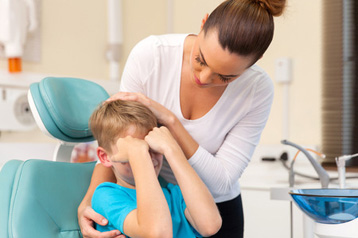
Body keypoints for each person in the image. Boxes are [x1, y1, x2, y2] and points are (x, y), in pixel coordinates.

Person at [78, 0, 286, 237]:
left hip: (202, 206)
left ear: (252, 64)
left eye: (225, 77)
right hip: (155, 201)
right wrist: (89, 205)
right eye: (200, 59)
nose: (204, 78)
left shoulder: (257, 90)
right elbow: (116, 141)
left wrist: (171, 123)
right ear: (203, 22)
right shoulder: (152, 56)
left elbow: (221, 185)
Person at [89, 100, 222, 238]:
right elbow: (158, 233)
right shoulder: (106, 196)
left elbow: (210, 225)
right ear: (105, 157)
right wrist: (138, 154)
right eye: (137, 149)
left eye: (154, 148)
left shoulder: (175, 194)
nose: (150, 157)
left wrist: (172, 149)